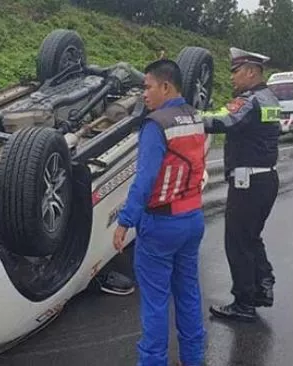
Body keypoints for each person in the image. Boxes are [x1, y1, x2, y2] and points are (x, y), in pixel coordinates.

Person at [113, 59, 207, 366]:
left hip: (161, 224)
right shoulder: (194, 116)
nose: (144, 94)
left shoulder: (156, 125)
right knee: (188, 295)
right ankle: (193, 359)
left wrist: (125, 221)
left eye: (148, 86)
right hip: (192, 218)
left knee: (154, 302)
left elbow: (144, 180)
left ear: (165, 86)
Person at [200, 47, 282, 322]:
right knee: (250, 237)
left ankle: (243, 303)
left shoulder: (250, 101)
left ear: (251, 72)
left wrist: (187, 116)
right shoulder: (270, 98)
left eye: (235, 72)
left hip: (249, 182)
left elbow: (222, 121)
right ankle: (263, 285)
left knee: (237, 242)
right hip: (266, 179)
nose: (232, 78)